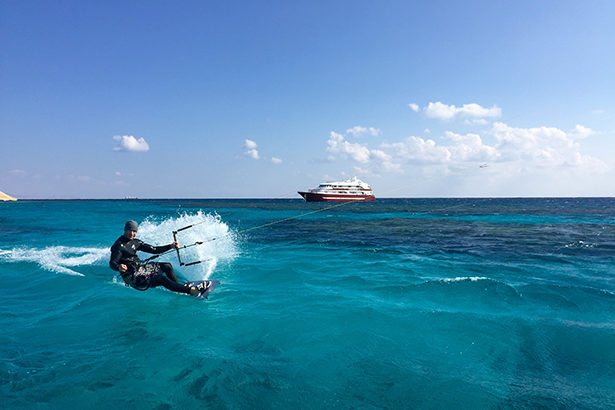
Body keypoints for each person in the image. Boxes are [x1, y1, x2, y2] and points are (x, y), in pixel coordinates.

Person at [109, 220, 208, 297]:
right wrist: (119, 267)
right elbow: (112, 263)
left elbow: (154, 249)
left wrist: (170, 246)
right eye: (130, 230)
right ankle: (191, 291)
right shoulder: (118, 246)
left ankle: (178, 288)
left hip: (140, 269)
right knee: (161, 279)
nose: (132, 233)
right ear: (125, 230)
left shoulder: (135, 242)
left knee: (167, 266)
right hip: (132, 278)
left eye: (134, 231)